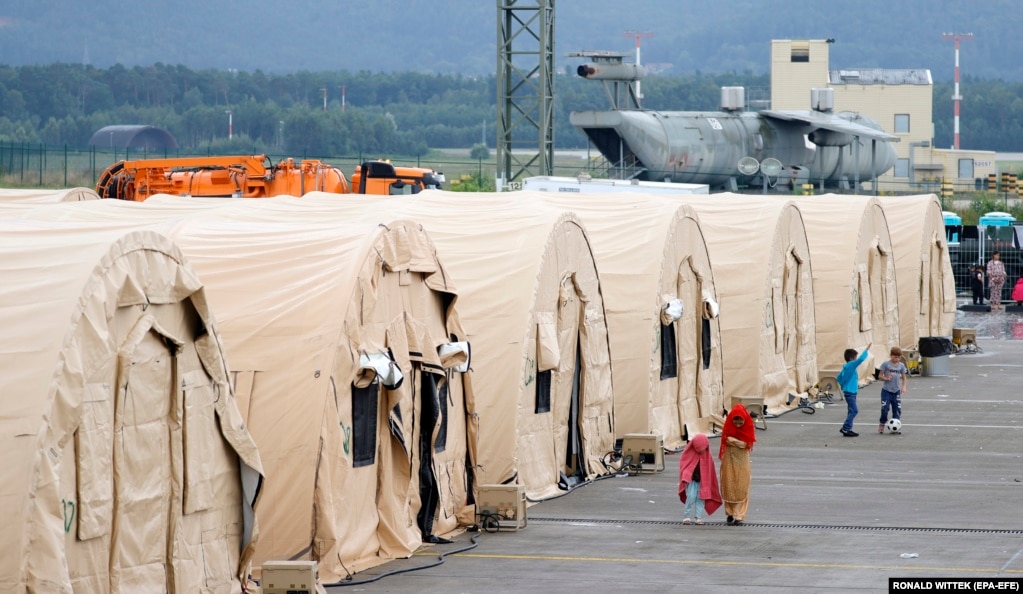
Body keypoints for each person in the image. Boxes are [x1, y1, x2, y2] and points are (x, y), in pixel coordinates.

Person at [719, 403, 756, 526]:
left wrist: (734, 441)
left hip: (742, 461)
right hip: (729, 460)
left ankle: (739, 515)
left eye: (741, 422)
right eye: (735, 421)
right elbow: (728, 440)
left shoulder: (748, 428)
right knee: (728, 484)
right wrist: (738, 442)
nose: (738, 425)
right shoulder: (728, 427)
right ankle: (730, 513)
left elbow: (746, 444)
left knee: (742, 486)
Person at [677, 433, 722, 525]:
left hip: (703, 481)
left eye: (703, 449)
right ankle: (687, 515)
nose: (701, 451)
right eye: (699, 449)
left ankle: (698, 516)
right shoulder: (688, 453)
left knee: (701, 498)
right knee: (691, 497)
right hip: (692, 480)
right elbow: (684, 465)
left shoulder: (707, 455)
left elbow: (710, 469)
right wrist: (686, 475)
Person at [837, 342, 871, 437]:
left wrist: (843, 385)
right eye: (855, 357)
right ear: (852, 358)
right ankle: (846, 427)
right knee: (854, 410)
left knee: (851, 410)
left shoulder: (846, 367)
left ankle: (848, 429)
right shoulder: (851, 365)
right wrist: (866, 350)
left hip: (849, 391)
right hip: (850, 392)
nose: (856, 359)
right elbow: (861, 359)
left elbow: (839, 378)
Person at [877, 346, 909, 434]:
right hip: (886, 390)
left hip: (896, 391)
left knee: (897, 409)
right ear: (891, 356)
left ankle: (896, 425)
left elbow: (904, 377)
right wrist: (886, 378)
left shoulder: (901, 365)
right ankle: (882, 423)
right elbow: (879, 376)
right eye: (895, 357)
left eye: (899, 357)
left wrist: (904, 387)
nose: (897, 359)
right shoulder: (886, 364)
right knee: (885, 408)